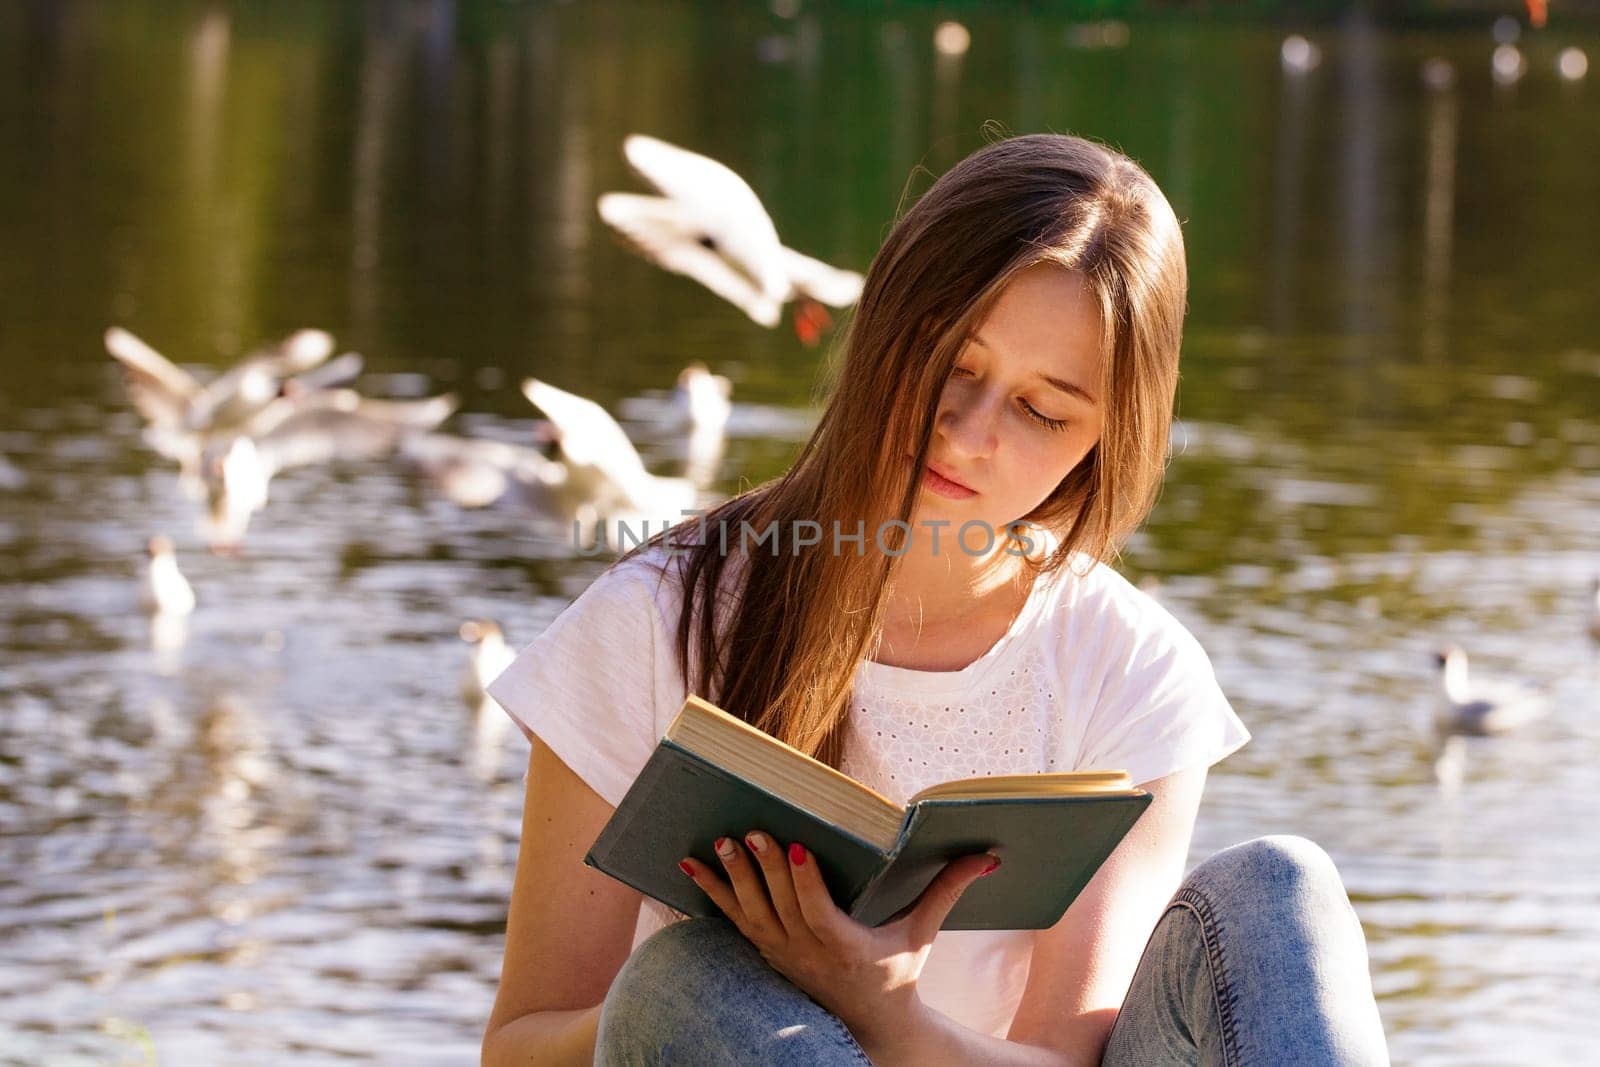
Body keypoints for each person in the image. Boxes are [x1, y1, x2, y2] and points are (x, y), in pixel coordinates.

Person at [480, 133, 1390, 1066]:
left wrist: (885, 1011)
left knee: (1283, 887)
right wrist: (701, 985)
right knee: (690, 977)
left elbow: (1069, 1056)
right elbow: (517, 1046)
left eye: (1043, 410)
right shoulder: (659, 615)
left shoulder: (1130, 665)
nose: (969, 433)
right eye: (953, 363)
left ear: (1105, 439)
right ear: (887, 323)